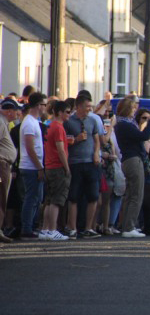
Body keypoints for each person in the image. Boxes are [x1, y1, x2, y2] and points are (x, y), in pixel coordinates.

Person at [64, 94, 102, 239]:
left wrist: (96, 153)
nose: (89, 109)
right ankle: (72, 228)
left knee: (93, 196)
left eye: (90, 106)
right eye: (87, 106)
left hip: (91, 163)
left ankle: (88, 228)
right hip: (75, 163)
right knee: (73, 196)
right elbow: (64, 142)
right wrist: (76, 139)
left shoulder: (92, 120)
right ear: (78, 107)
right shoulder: (69, 122)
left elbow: (97, 140)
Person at [115, 103, 150, 237]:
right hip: (133, 160)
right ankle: (129, 227)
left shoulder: (122, 124)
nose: (134, 111)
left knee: (130, 195)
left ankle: (126, 225)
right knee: (136, 195)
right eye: (133, 109)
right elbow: (144, 136)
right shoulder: (125, 125)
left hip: (128, 160)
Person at [40, 101, 71, 240]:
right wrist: (67, 167)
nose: (69, 114)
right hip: (57, 167)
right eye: (67, 112)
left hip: (49, 166)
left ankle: (45, 229)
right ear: (59, 112)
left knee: (49, 200)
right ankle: (52, 230)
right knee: (56, 200)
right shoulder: (58, 127)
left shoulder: (50, 125)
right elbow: (60, 149)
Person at [19, 93, 48, 239]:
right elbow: (29, 147)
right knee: (31, 198)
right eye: (44, 104)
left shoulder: (34, 121)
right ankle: (26, 228)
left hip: (33, 166)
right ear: (38, 105)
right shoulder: (29, 122)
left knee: (37, 197)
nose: (45, 108)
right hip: (30, 167)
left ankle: (30, 226)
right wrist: (39, 167)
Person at [0, 98, 18, 242]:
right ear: (9, 111)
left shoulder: (4, 123)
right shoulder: (1, 122)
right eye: (16, 110)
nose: (17, 113)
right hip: (2, 164)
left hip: (5, 164)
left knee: (3, 199)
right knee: (1, 198)